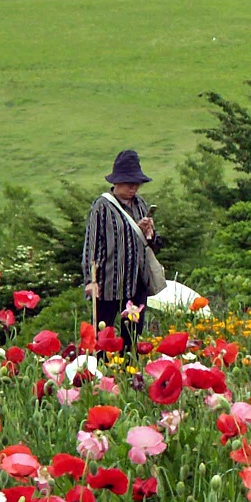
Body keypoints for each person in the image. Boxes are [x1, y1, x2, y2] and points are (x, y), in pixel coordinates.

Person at [82, 150, 160, 352]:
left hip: (136, 284)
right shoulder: (102, 207)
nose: (133, 187)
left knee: (132, 339)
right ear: (117, 182)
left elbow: (153, 243)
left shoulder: (141, 204)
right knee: (102, 339)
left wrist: (149, 233)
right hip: (109, 285)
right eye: (128, 183)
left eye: (136, 183)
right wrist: (90, 280)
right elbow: (91, 245)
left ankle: (129, 375)